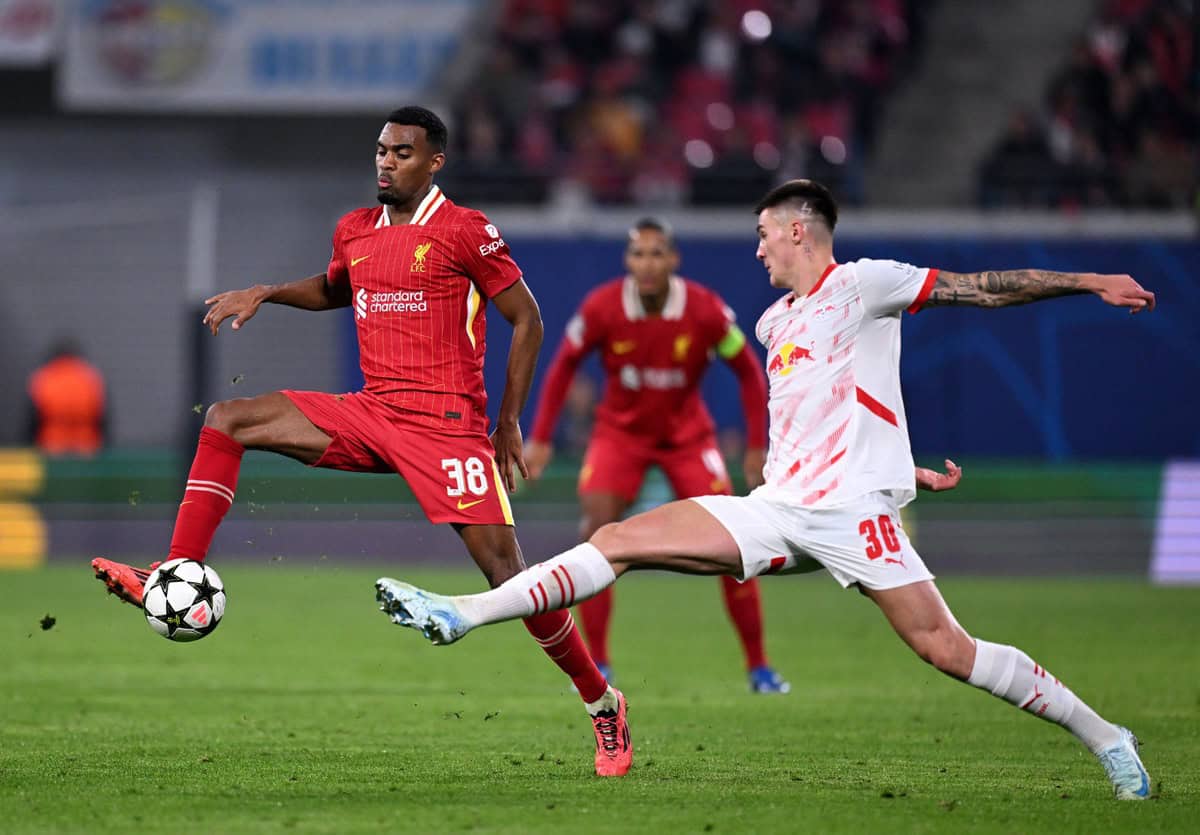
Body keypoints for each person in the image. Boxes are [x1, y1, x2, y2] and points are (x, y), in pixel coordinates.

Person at [375, 179, 1155, 799]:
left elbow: (983, 287)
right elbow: (828, 412)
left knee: (945, 648)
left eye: (760, 235)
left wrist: (1088, 279)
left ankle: (1108, 737)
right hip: (778, 510)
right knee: (614, 539)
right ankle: (465, 611)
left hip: (852, 517)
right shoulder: (775, 322)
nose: (756, 251)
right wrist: (897, 459)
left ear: (796, 229)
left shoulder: (867, 283)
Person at [90, 106, 633, 778]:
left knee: (511, 580)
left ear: (435, 160)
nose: (385, 161)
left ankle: (601, 701)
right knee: (227, 417)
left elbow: (528, 318)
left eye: (402, 152)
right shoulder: (355, 229)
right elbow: (333, 288)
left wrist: (509, 420)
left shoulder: (466, 231)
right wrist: (267, 291)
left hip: (447, 427)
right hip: (372, 411)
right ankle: (172, 571)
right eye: (380, 150)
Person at [524, 217, 790, 693]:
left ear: (673, 259)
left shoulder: (705, 311)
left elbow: (750, 373)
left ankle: (760, 667)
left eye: (656, 254)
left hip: (688, 438)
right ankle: (598, 663)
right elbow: (564, 364)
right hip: (619, 436)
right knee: (596, 533)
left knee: (736, 544)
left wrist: (756, 447)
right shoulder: (603, 308)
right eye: (638, 255)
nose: (647, 265)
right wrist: (540, 438)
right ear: (628, 261)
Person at [27, 338, 108, 456]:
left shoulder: (44, 378)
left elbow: (33, 419)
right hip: (86, 447)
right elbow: (102, 418)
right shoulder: (90, 378)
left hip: (52, 446)